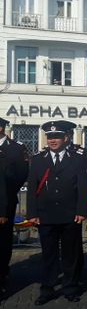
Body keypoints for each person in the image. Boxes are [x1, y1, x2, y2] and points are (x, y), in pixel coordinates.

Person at [27, 120, 87, 304]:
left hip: (70, 214)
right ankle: (47, 289)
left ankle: (70, 288)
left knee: (70, 255)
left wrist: (81, 211)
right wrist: (32, 213)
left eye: (57, 137)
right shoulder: (38, 159)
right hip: (45, 215)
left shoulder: (77, 158)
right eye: (50, 137)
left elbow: (82, 187)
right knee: (49, 255)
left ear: (66, 138)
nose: (53, 140)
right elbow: (32, 188)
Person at [0, 117, 29, 295]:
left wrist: (6, 191)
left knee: (3, 240)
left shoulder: (16, 148)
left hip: (6, 201)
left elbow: (22, 173)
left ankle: (3, 273)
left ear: (1, 128)